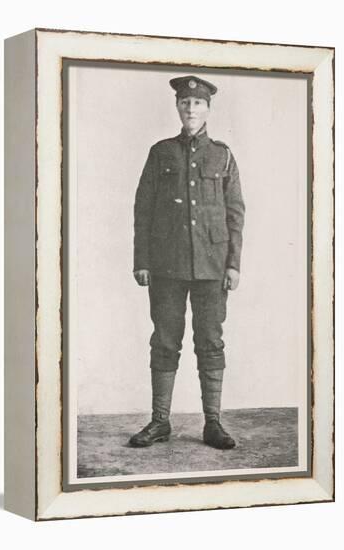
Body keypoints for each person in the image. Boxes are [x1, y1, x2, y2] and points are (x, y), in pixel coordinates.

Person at [130, 75, 245, 450]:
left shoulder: (223, 155)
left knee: (210, 342)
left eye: (197, 104)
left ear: (208, 109)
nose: (191, 109)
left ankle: (213, 424)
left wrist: (233, 264)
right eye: (185, 103)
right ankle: (160, 422)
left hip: (212, 266)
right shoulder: (160, 152)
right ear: (177, 107)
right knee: (164, 340)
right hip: (167, 264)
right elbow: (143, 209)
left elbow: (235, 213)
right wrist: (142, 260)